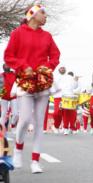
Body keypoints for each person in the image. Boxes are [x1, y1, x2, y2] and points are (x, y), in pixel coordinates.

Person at [4, 4, 60, 173]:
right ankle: (19, 150)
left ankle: (35, 161)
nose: (45, 16)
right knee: (25, 120)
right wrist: (22, 66)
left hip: (42, 83)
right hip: (25, 81)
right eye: (43, 13)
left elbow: (55, 55)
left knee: (38, 123)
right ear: (32, 14)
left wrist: (47, 67)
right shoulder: (17, 33)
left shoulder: (47, 36)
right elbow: (8, 56)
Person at [0, 64, 18, 133]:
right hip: (4, 97)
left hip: (13, 96)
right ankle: (1, 129)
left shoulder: (14, 74)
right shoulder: (1, 75)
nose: (6, 67)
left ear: (10, 67)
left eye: (7, 65)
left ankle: (13, 124)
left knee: (16, 113)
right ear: (3, 68)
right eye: (4, 66)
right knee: (3, 113)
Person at [51, 66, 66, 133]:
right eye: (61, 68)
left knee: (64, 113)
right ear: (59, 69)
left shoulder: (67, 77)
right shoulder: (55, 77)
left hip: (65, 97)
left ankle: (63, 127)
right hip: (57, 97)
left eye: (64, 68)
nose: (62, 69)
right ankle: (55, 126)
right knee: (56, 113)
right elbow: (52, 85)